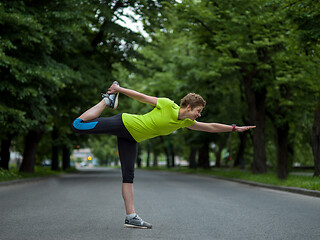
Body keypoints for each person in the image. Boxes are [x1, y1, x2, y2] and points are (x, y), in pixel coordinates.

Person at [72, 81, 256, 229]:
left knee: (128, 177)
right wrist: (119, 89)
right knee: (78, 126)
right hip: (125, 124)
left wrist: (234, 128)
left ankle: (131, 217)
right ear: (189, 106)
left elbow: (210, 127)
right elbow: (143, 98)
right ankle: (107, 101)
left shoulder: (184, 123)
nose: (199, 115)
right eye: (198, 111)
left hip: (132, 138)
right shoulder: (168, 104)